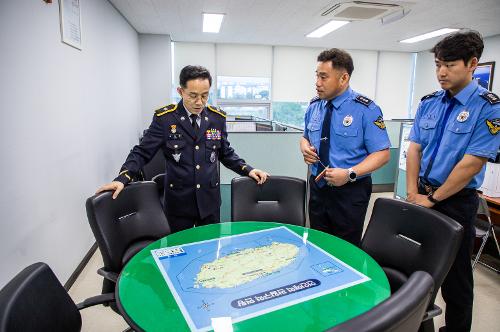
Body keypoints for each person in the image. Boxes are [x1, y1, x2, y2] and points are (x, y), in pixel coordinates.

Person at [97, 65, 269, 233]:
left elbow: (225, 152)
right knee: (178, 255)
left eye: (204, 95)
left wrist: (248, 170)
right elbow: (142, 152)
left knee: (210, 253)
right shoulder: (165, 119)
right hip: (179, 204)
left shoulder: (217, 118)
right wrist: (122, 178)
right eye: (193, 95)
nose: (199, 102)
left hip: (209, 202)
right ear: (180, 92)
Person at [406, 31, 500, 332]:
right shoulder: (430, 102)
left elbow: (472, 163)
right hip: (421, 193)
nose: (441, 72)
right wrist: (412, 193)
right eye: (437, 65)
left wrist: (433, 199)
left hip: (456, 201)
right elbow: (414, 149)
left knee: (457, 279)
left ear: (472, 64)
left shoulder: (489, 106)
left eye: (449, 65)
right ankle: (419, 325)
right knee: (418, 268)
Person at [300, 48, 391, 246]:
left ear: (343, 78)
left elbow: (382, 154)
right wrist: (304, 146)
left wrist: (349, 173)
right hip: (318, 186)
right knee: (318, 242)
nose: (317, 83)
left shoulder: (366, 109)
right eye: (317, 76)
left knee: (345, 247)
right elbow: (305, 136)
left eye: (324, 77)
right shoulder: (315, 105)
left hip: (350, 191)